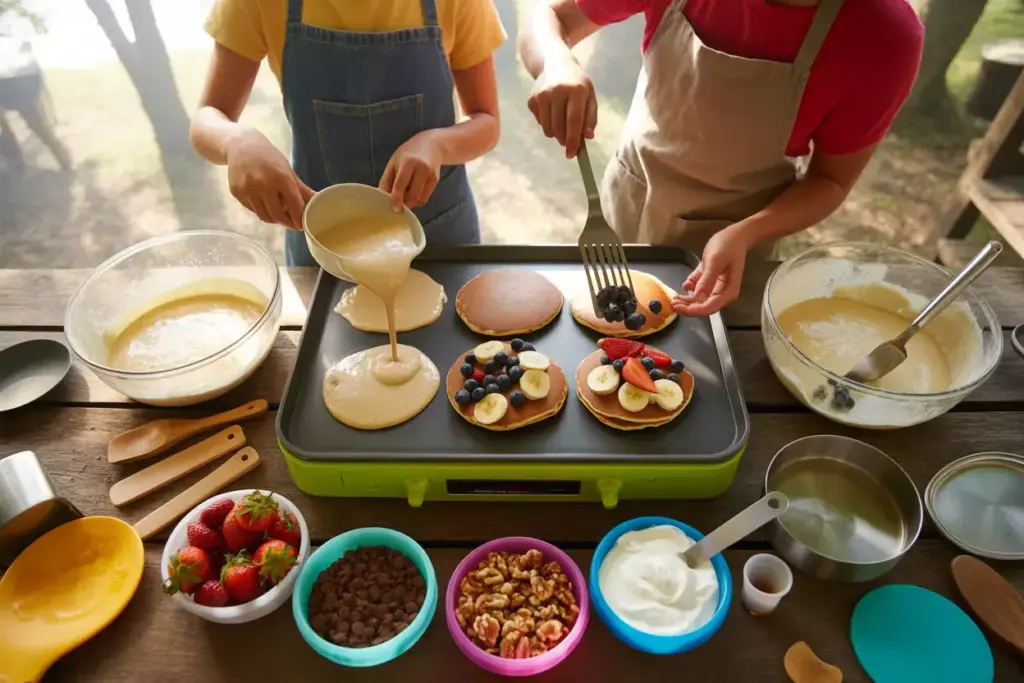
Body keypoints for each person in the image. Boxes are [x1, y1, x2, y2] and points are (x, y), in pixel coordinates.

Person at [519, 0, 923, 316]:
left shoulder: (884, 38)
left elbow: (830, 181)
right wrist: (555, 62)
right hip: (623, 210)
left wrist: (747, 233)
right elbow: (551, 17)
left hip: (724, 265)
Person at [191, 0, 506, 266]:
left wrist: (437, 145)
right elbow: (209, 116)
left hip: (441, 237)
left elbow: (486, 120)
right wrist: (237, 142)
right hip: (323, 243)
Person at [0, 11, 71, 170]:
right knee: (8, 127)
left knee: (37, 124)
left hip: (18, 85)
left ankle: (64, 160)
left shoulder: (9, 27)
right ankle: (16, 161)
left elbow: (26, 56)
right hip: (11, 84)